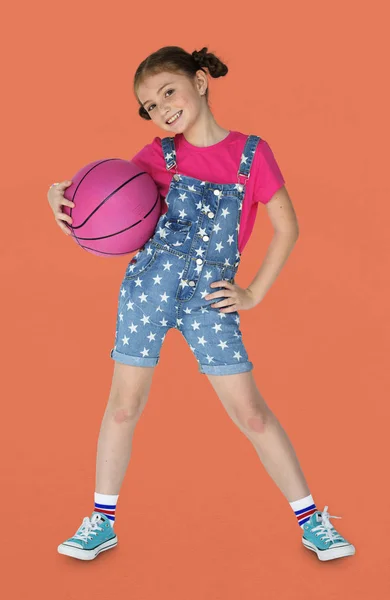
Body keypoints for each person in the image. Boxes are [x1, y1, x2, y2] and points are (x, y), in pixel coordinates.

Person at [48, 46, 355, 562]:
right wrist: (55, 196)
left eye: (168, 92)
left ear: (202, 80)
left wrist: (253, 292)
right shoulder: (154, 156)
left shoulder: (253, 155)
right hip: (148, 288)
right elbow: (101, 196)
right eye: (150, 105)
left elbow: (288, 227)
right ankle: (100, 522)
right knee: (124, 405)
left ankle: (313, 521)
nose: (162, 108)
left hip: (209, 298)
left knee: (252, 414)